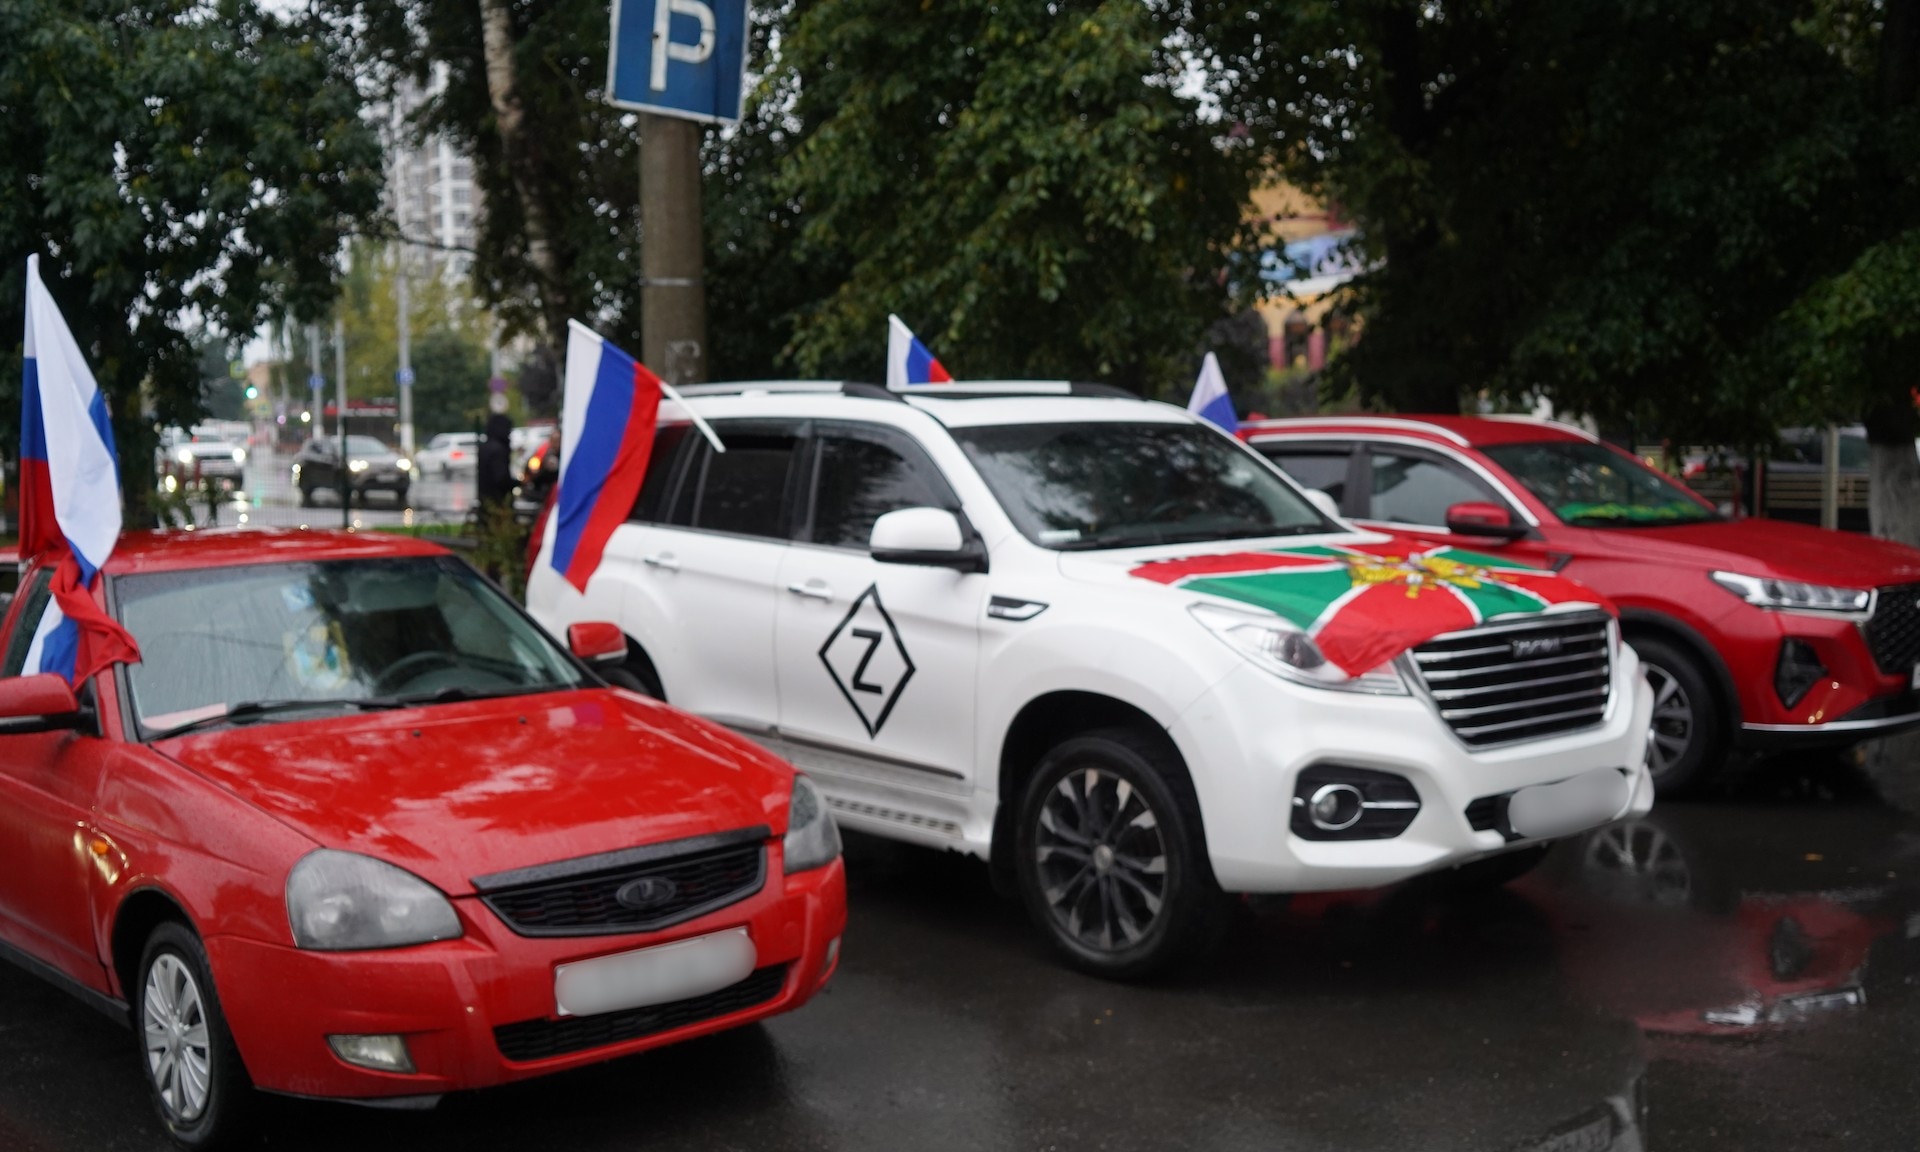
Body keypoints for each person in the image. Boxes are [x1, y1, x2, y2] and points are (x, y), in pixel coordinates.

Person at [477, 413, 514, 510]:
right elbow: (501, 478)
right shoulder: (499, 450)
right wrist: (515, 483)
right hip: (498, 501)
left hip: (485, 500)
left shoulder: (485, 447)